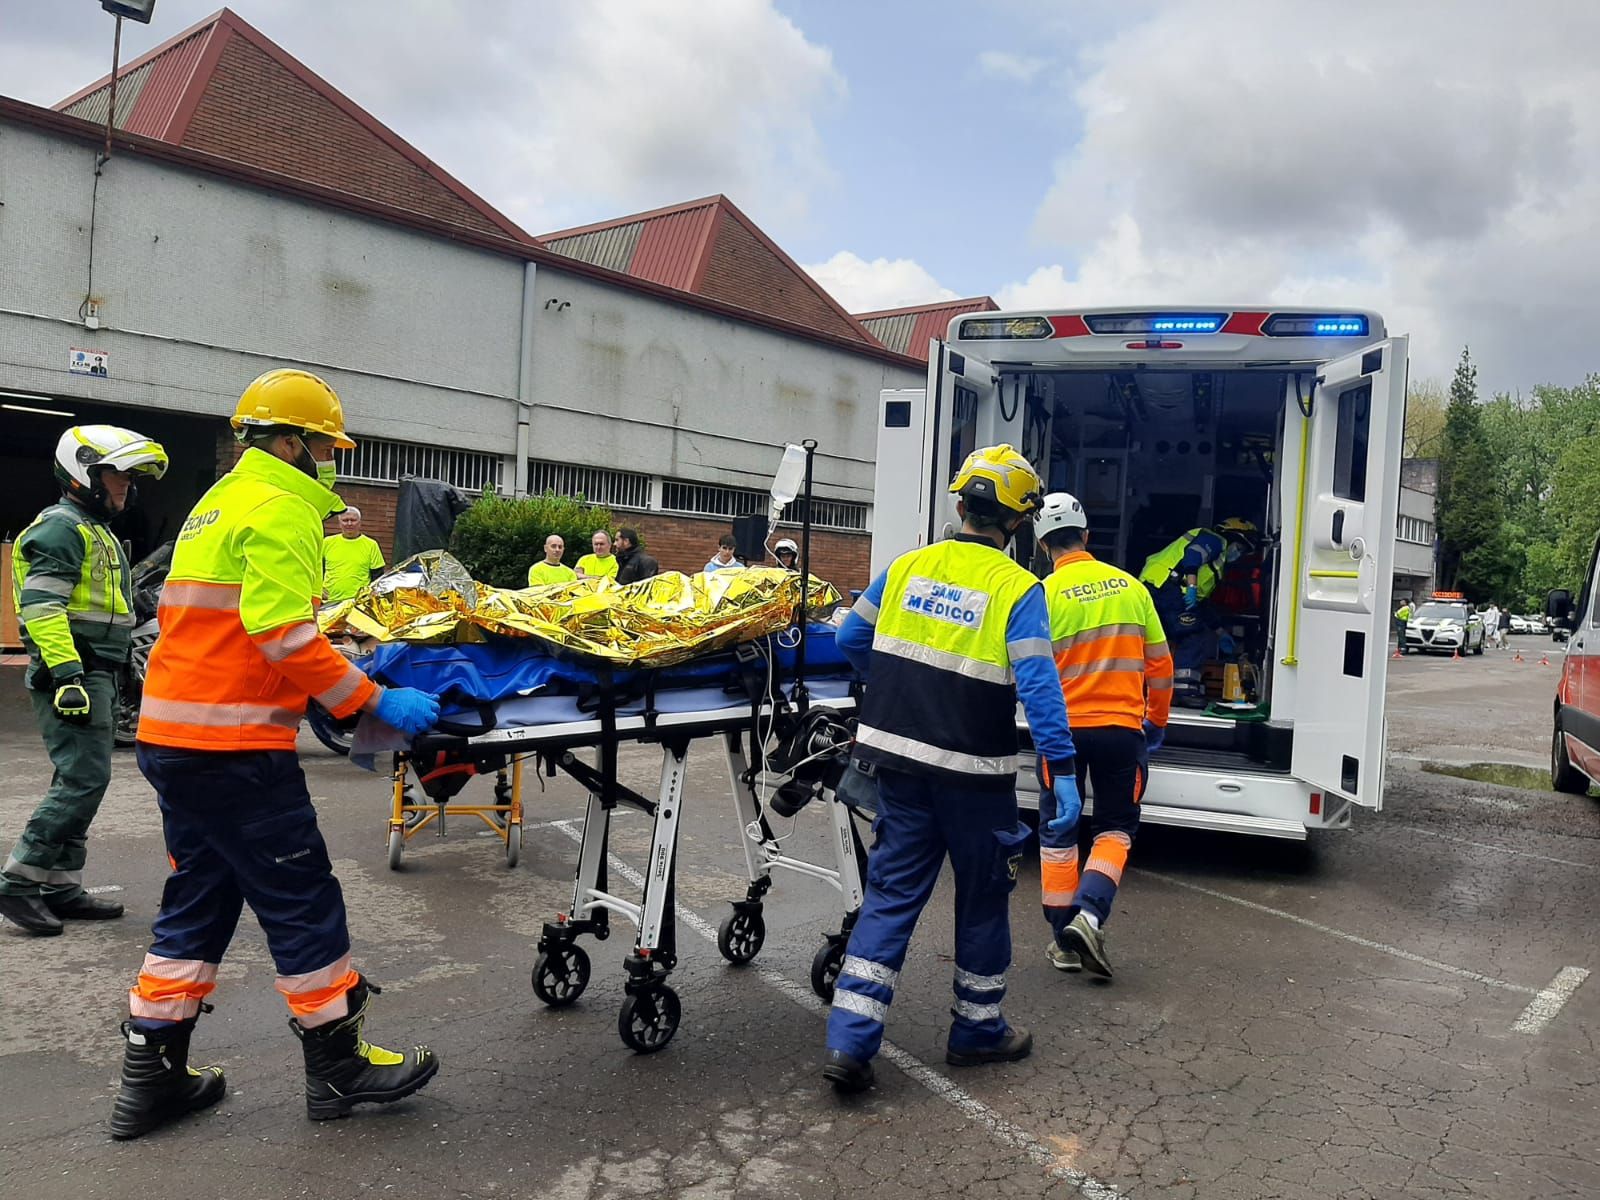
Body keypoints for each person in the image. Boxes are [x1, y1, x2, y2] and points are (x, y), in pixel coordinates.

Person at [110, 368, 442, 1140]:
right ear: (294, 443)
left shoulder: (218, 502)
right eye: (326, 448)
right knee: (301, 900)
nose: (330, 463)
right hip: (233, 747)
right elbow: (280, 634)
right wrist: (369, 700)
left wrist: (337, 651)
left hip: (175, 739)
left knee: (199, 900)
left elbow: (241, 625)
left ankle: (150, 1080)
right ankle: (340, 1067)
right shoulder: (285, 508)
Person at [822, 444, 1078, 1093]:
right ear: (1016, 525)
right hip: (976, 777)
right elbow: (1041, 688)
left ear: (959, 505)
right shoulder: (1019, 588)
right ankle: (976, 1031)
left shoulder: (908, 567)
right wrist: (1064, 770)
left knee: (891, 895)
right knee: (984, 897)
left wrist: (901, 689)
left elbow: (851, 640)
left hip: (898, 766)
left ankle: (850, 1043)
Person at [0, 426, 169, 936]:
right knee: (82, 780)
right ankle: (18, 883)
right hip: (75, 672)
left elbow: (99, 606)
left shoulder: (93, 529)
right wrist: (68, 675)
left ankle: (60, 886)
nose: (126, 486)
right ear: (83, 474)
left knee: (78, 778)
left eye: (129, 477)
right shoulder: (60, 528)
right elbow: (43, 609)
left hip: (97, 670)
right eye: (117, 475)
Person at [1034, 493, 1173, 978]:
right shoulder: (1133, 589)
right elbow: (1160, 665)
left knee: (1058, 831)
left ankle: (1063, 941)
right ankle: (1090, 915)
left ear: (1042, 544)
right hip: (1121, 731)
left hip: (1063, 736)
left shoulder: (1043, 595)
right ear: (1087, 537)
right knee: (1114, 828)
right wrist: (1155, 719)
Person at [1137, 519, 1257, 701]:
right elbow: (1192, 557)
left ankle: (1143, 686)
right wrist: (1192, 587)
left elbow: (1200, 605)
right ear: (1233, 537)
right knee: (1193, 635)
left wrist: (1221, 632)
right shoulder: (1215, 540)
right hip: (1169, 589)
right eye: (1240, 548)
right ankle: (1183, 690)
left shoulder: (1215, 562)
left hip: (1157, 588)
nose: (1238, 554)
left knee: (1153, 638)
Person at [321, 506, 385, 603]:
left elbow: (378, 575)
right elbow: (316, 570)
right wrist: (318, 590)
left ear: (359, 523)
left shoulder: (371, 545)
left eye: (353, 520)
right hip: (329, 601)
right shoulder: (327, 542)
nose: (349, 523)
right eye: (345, 520)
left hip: (358, 603)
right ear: (339, 523)